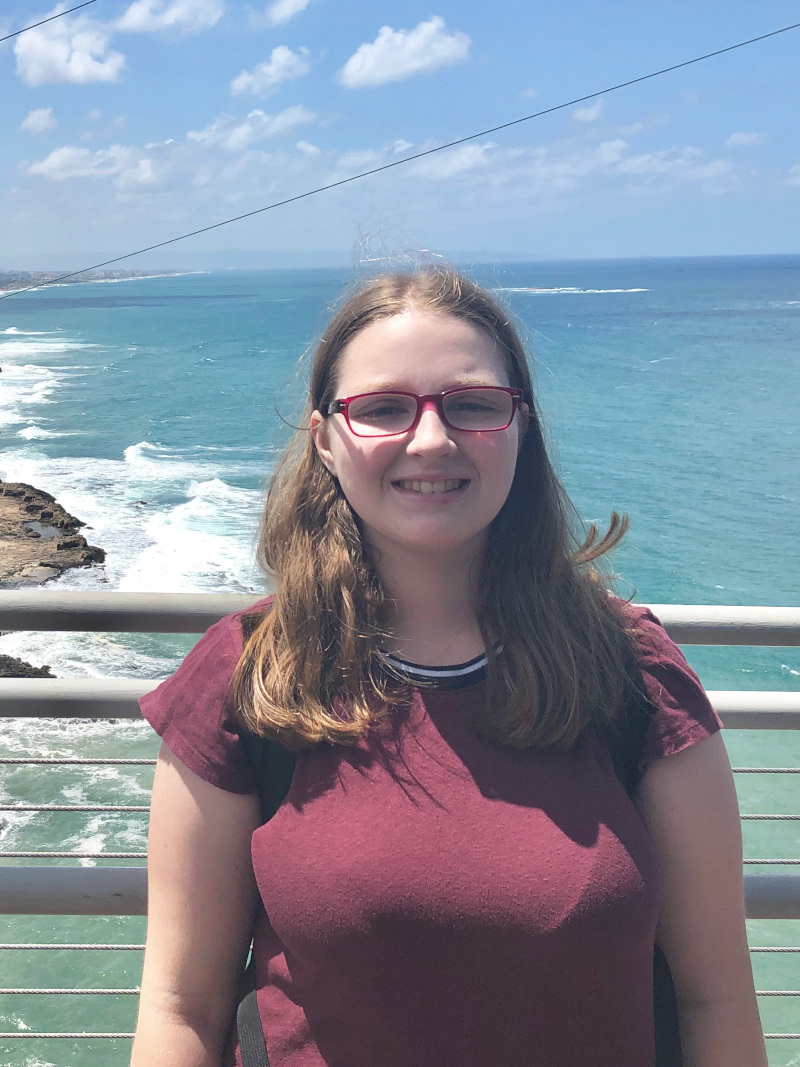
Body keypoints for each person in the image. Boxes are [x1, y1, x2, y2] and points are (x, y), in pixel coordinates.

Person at [131, 267, 766, 1067]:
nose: (431, 439)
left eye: (471, 404)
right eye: (384, 408)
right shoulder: (248, 677)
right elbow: (181, 1006)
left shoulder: (633, 672)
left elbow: (718, 1002)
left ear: (521, 428)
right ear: (325, 439)